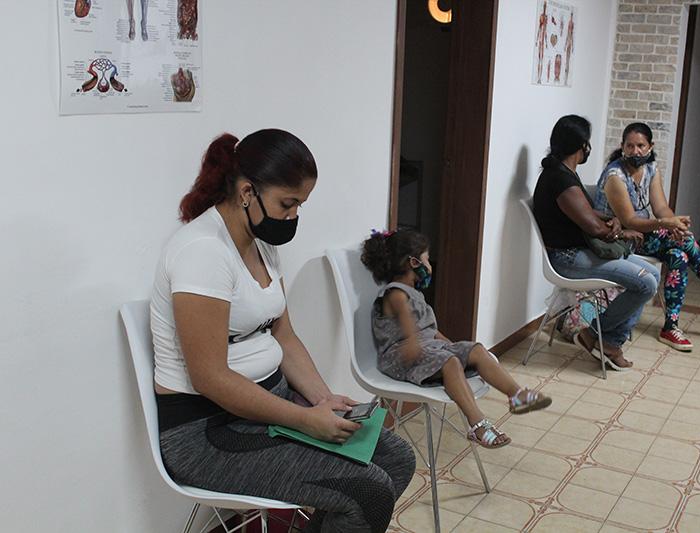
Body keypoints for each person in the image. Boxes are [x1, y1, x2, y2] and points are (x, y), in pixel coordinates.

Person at [150, 130, 415, 533]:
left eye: (299, 206)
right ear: (246, 193)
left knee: (397, 459)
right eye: (287, 204)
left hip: (266, 405)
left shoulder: (260, 243)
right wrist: (304, 419)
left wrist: (323, 399)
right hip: (209, 431)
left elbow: (284, 336)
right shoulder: (202, 253)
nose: (293, 217)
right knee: (367, 492)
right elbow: (209, 377)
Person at [361, 229, 552, 449]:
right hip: (400, 355)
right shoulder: (395, 294)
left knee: (477, 350)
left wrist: (455, 348)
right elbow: (411, 338)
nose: (430, 264)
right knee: (450, 362)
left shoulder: (415, 294)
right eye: (426, 258)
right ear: (414, 263)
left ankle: (517, 395)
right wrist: (445, 355)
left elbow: (430, 331)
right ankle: (478, 425)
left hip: (427, 347)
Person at [595, 122, 700, 351]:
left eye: (641, 145)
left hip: (642, 234)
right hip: (618, 238)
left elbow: (661, 209)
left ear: (650, 146)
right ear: (622, 147)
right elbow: (629, 221)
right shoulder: (615, 175)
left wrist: (673, 224)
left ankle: (670, 327)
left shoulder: (651, 169)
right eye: (630, 146)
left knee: (679, 254)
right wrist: (666, 224)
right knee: (686, 241)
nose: (635, 151)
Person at [532, 115, 660, 369]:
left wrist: (612, 220)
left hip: (581, 250)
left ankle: (607, 341)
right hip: (567, 258)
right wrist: (620, 232)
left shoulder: (563, 171)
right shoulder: (559, 178)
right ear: (581, 146)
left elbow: (587, 212)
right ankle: (596, 335)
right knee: (645, 283)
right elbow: (591, 225)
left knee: (653, 274)